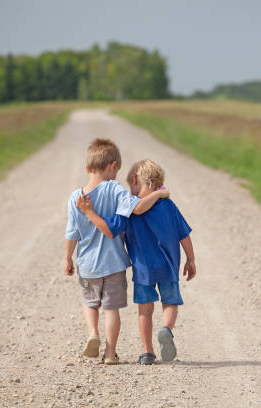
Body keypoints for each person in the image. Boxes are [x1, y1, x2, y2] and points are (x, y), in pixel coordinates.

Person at [76, 159, 196, 365]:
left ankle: (147, 352)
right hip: (169, 266)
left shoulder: (128, 210)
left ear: (134, 180)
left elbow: (108, 229)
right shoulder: (168, 205)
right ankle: (166, 329)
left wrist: (89, 213)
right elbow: (183, 234)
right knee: (170, 303)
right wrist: (191, 260)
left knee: (145, 310)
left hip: (143, 270)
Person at [65, 140, 168, 365]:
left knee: (90, 302)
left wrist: (67, 258)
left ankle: (93, 333)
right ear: (113, 166)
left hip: (87, 264)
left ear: (87, 168)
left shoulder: (76, 198)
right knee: (111, 309)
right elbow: (138, 207)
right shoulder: (115, 190)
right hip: (113, 264)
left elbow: (72, 233)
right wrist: (159, 194)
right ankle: (110, 353)